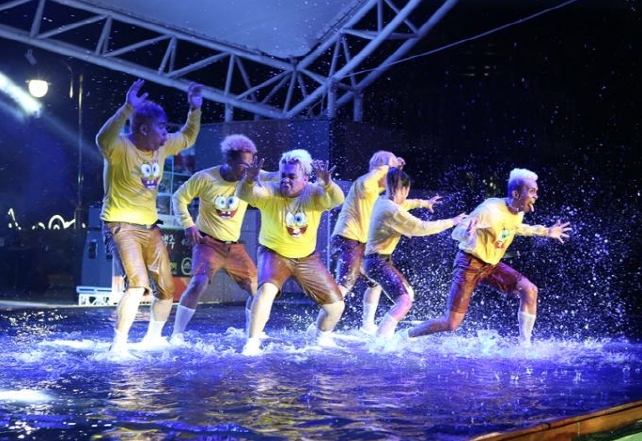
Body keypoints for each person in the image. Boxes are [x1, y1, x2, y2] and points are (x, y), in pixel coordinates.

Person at [96, 78, 203, 355]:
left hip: (150, 227)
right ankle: (119, 345)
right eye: (161, 127)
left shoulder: (161, 148)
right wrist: (126, 109)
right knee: (137, 285)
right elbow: (101, 139)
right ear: (143, 128)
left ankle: (152, 338)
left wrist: (194, 109)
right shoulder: (120, 148)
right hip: (121, 225)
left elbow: (188, 137)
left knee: (166, 288)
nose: (166, 134)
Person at [407, 168, 570, 346]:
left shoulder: (518, 211)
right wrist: (467, 234)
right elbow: (457, 231)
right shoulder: (490, 210)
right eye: (531, 191)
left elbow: (516, 227)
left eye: (536, 192)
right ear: (516, 194)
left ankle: (525, 345)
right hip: (469, 263)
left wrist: (546, 231)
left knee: (529, 289)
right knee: (451, 323)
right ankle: (406, 334)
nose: (535, 196)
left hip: (491, 265)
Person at [237, 148, 345, 355]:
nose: (285, 180)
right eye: (283, 175)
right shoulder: (270, 191)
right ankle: (252, 342)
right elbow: (244, 194)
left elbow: (337, 199)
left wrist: (327, 183)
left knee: (336, 307)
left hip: (307, 258)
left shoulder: (314, 193)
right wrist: (249, 180)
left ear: (305, 178)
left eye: (292, 176)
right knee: (266, 290)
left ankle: (321, 336)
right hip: (274, 253)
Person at [327, 150, 440, 334]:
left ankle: (367, 325)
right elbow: (370, 182)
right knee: (346, 282)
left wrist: (423, 203)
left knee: (375, 282)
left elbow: (399, 204)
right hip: (348, 238)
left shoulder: (380, 194)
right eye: (389, 171)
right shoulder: (364, 184)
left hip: (362, 242)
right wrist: (386, 167)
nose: (391, 178)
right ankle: (320, 325)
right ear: (380, 169)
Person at [170, 134, 262, 340]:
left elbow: (276, 178)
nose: (246, 171)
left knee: (258, 290)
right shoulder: (205, 178)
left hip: (234, 247)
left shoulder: (250, 177)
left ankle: (254, 332)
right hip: (208, 243)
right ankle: (177, 334)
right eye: (242, 165)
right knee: (198, 283)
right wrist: (188, 225)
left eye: (250, 166)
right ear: (229, 160)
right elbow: (179, 197)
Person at [363, 167, 466, 339]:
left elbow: (405, 204)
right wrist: (453, 221)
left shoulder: (382, 201)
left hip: (377, 260)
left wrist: (424, 203)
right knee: (404, 301)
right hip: (377, 262)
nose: (406, 196)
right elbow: (421, 227)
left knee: (408, 294)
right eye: (407, 191)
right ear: (403, 189)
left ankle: (386, 332)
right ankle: (379, 339)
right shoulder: (391, 210)